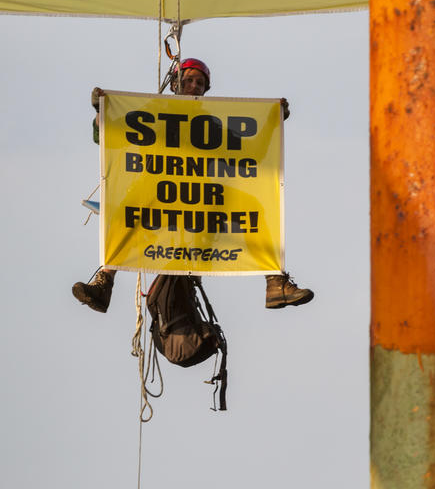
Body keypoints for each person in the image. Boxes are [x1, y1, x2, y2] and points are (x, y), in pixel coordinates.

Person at [72, 57, 314, 312]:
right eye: (188, 80)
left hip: (201, 196)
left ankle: (275, 283)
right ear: (175, 84)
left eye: (200, 82)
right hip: (158, 190)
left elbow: (250, 153)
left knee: (253, 208)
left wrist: (273, 122)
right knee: (123, 214)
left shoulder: (210, 124)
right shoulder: (154, 113)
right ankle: (103, 283)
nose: (194, 86)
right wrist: (101, 110)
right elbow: (108, 136)